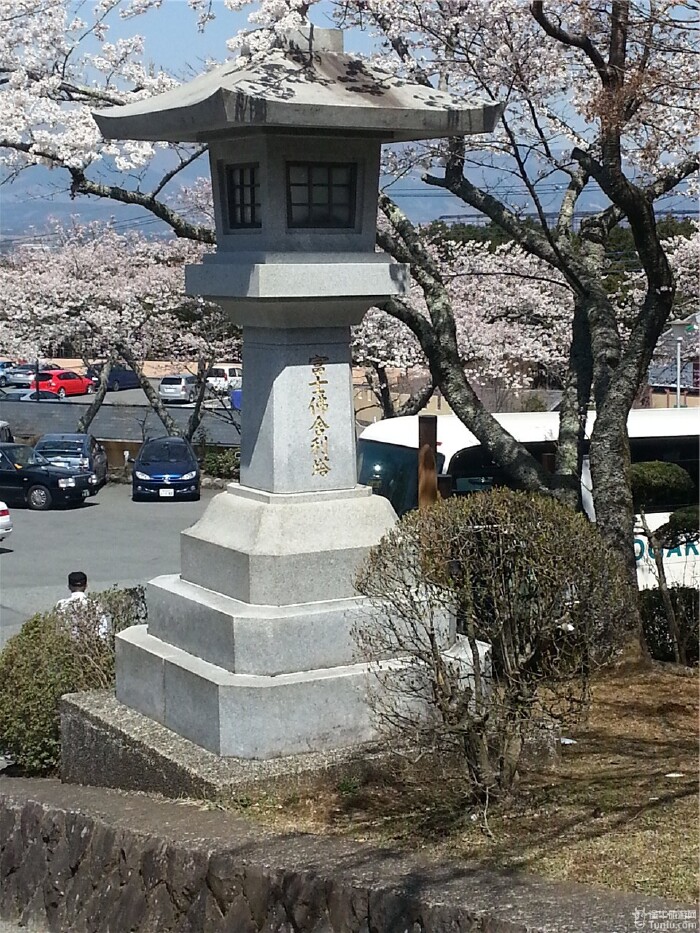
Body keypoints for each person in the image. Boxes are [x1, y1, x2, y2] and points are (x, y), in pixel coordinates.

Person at [55, 571, 109, 637]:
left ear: (69, 586)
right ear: (86, 586)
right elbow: (103, 630)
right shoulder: (95, 605)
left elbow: (59, 628)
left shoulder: (61, 604)